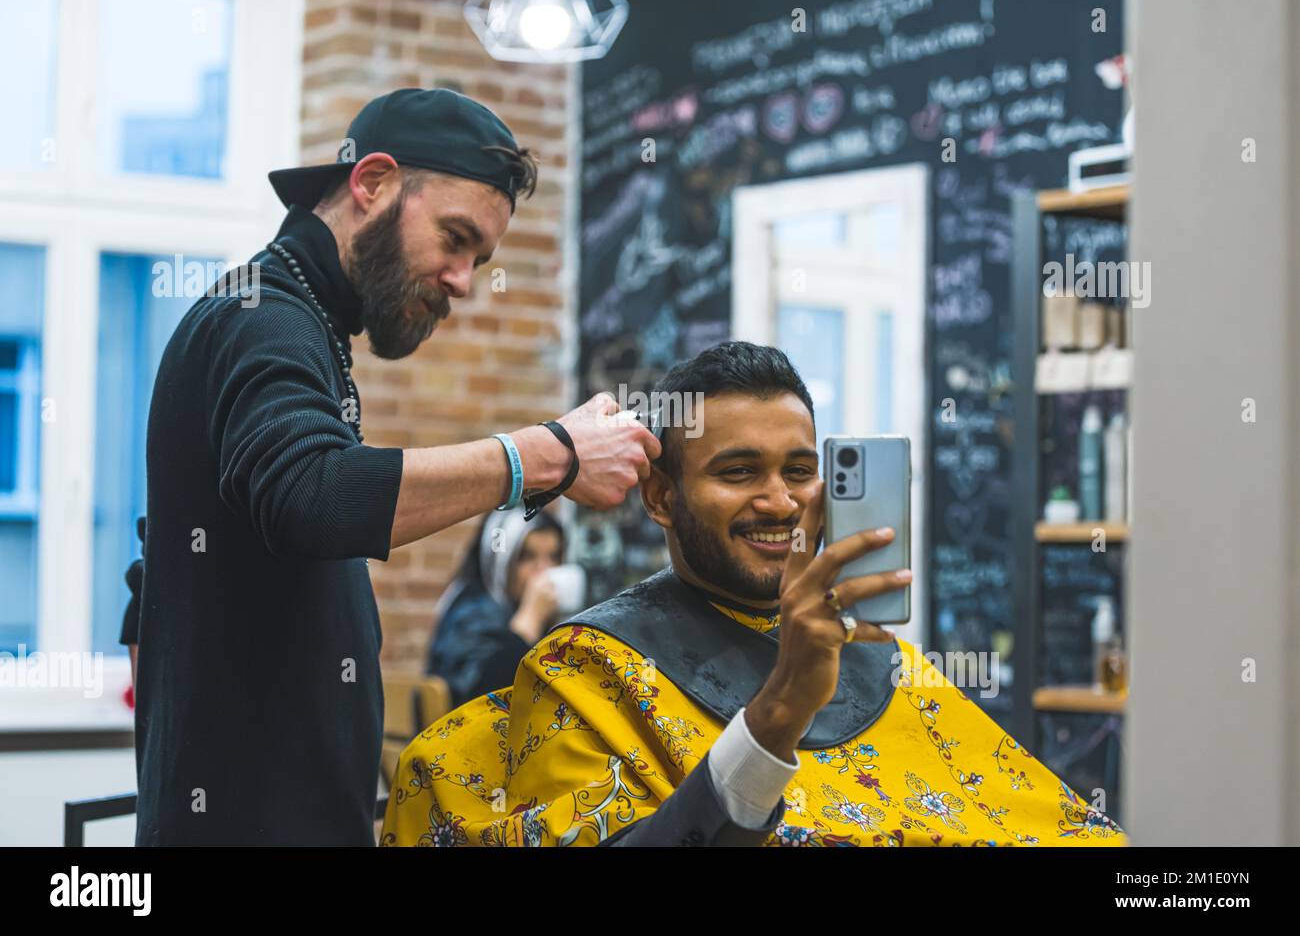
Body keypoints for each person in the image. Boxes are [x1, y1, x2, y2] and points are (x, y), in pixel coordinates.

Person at [128, 88, 660, 846]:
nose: (463, 280)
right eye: (454, 237)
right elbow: (309, 496)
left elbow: (160, 559)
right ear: (372, 183)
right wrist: (551, 454)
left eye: (479, 258)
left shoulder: (295, 321)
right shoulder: (265, 319)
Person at [381, 342, 1128, 847]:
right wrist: (777, 712)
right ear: (663, 496)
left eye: (801, 471)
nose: (780, 501)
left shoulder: (882, 660)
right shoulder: (587, 673)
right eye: (739, 472)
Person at [426, 507, 569, 707]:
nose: (544, 570)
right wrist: (529, 620)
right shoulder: (471, 614)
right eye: (527, 557)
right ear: (500, 562)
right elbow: (482, 701)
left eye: (553, 557)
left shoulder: (510, 608)